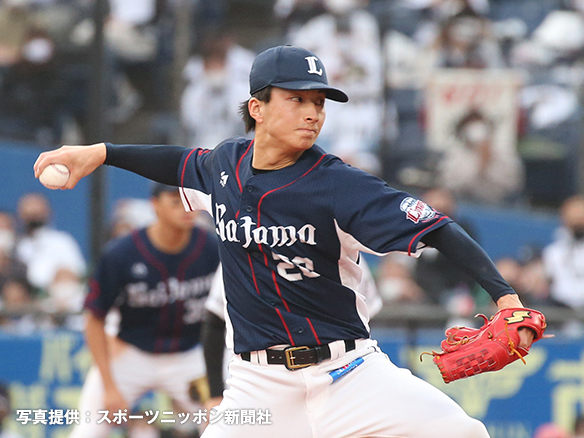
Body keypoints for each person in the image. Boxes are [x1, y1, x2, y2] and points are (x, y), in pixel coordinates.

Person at [36, 45, 537, 438]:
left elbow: (439, 228)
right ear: (257, 107)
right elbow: (175, 162)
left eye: (318, 102)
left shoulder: (340, 184)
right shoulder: (224, 165)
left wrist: (506, 298)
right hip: (258, 385)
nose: (312, 113)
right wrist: (100, 152)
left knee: (465, 433)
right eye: (297, 99)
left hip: (350, 372)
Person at [67, 183, 219, 438]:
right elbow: (94, 319)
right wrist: (109, 386)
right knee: (88, 431)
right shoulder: (122, 253)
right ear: (155, 205)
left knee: (225, 425)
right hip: (132, 354)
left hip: (189, 356)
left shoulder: (212, 249)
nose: (186, 209)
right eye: (175, 201)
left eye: (190, 201)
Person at [15, 193, 86, 313]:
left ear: (48, 212)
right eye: (29, 213)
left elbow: (74, 274)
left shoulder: (62, 241)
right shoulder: (16, 245)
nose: (33, 217)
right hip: (23, 306)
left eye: (37, 213)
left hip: (57, 304)